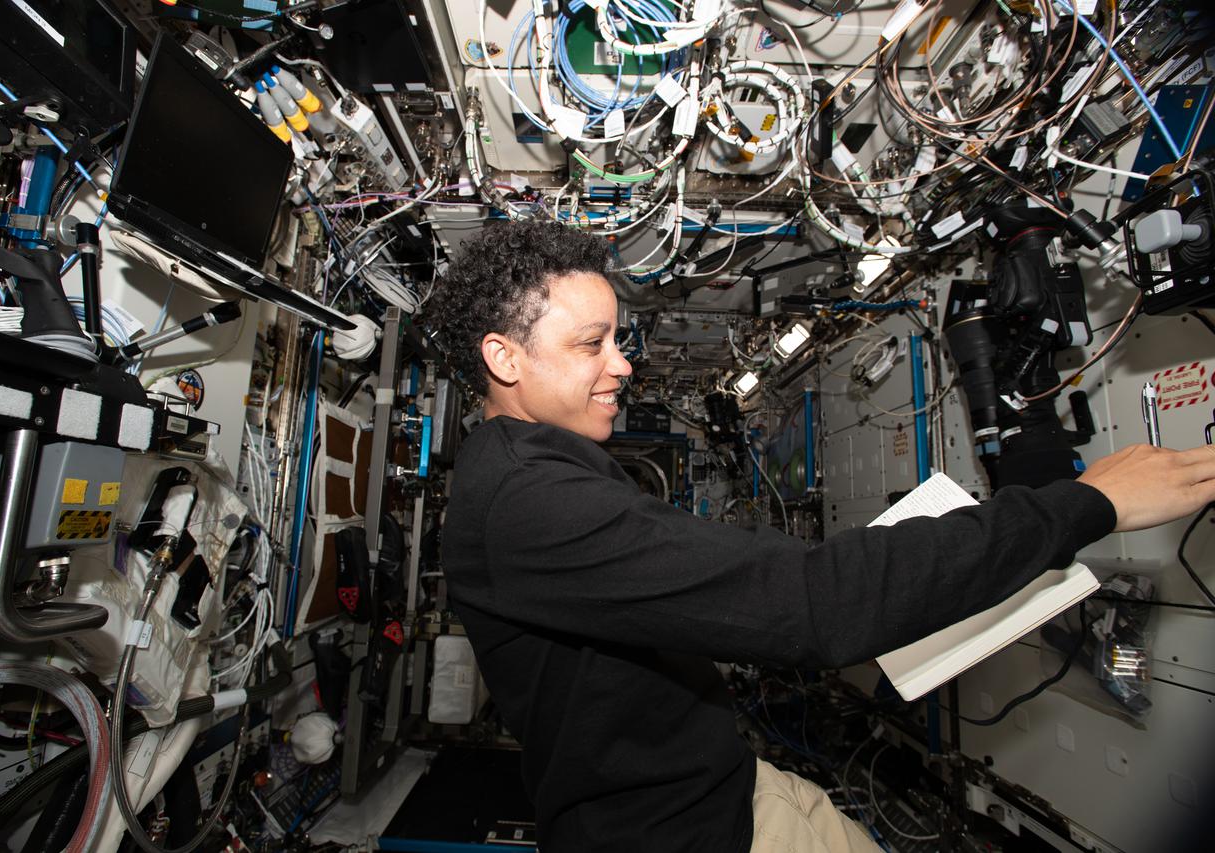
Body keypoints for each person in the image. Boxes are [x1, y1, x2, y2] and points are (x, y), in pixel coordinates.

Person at [425, 221, 1215, 853]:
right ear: (505, 357)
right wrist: (1084, 503)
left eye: (617, 339)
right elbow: (815, 604)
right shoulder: (526, 504)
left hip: (723, 795)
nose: (622, 365)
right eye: (590, 344)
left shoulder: (536, 468)